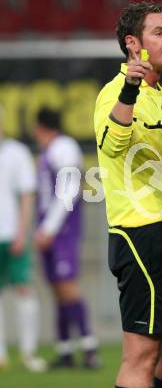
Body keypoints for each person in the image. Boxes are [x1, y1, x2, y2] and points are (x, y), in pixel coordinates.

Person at [94, 1, 162, 388]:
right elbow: (110, 144)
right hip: (143, 235)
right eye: (159, 33)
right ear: (132, 44)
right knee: (141, 354)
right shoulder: (115, 93)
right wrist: (129, 89)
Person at [33, 108, 100, 369]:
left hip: (62, 229)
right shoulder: (50, 150)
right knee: (56, 288)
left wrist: (49, 228)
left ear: (40, 127)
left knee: (67, 285)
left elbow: (70, 189)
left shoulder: (64, 147)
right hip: (50, 227)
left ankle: (90, 347)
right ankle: (65, 350)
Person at [0, 107, 46, 373]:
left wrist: (22, 232)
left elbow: (27, 196)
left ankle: (28, 353)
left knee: (24, 290)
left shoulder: (16, 152)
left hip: (11, 234)